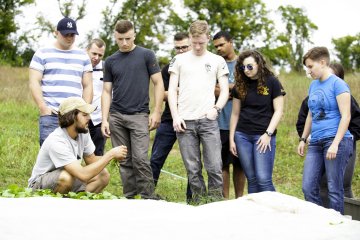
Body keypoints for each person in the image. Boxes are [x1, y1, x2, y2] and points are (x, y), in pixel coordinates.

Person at [101, 20, 164, 199]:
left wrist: (157, 111)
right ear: (115, 37)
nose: (125, 43)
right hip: (116, 117)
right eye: (120, 39)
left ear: (134, 34)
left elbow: (158, 83)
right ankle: (129, 197)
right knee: (123, 160)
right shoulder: (111, 61)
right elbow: (106, 92)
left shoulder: (146, 55)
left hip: (139, 115)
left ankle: (148, 197)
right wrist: (105, 119)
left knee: (140, 159)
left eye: (128, 38)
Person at [168, 20, 229, 203]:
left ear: (208, 38)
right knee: (192, 169)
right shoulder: (179, 60)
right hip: (185, 121)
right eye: (194, 42)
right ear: (190, 38)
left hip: (208, 120)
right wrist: (175, 116)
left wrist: (216, 109)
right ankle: (199, 203)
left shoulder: (217, 60)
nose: (197, 46)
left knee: (214, 166)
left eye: (201, 42)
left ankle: (215, 203)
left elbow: (225, 90)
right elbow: (171, 90)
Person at [28, 97, 127, 194]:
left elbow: (91, 159)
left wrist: (114, 156)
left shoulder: (83, 132)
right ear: (72, 117)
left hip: (67, 177)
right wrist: (110, 155)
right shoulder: (57, 141)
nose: (89, 118)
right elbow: (83, 175)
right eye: (84, 115)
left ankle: (76, 204)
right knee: (66, 177)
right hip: (38, 186)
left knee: (103, 175)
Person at [297, 47, 353, 214]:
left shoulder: (338, 84)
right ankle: (321, 221)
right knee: (307, 187)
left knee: (334, 189)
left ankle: (337, 227)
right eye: (307, 67)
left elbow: (346, 116)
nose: (308, 71)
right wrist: (303, 138)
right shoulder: (313, 85)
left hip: (336, 141)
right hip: (315, 142)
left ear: (322, 62)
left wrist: (335, 144)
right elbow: (310, 115)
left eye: (310, 66)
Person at [29, 17, 93, 146]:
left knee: (74, 156)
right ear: (56, 32)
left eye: (72, 35)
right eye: (66, 34)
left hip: (75, 115)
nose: (69, 38)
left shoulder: (83, 56)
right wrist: (43, 107)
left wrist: (84, 110)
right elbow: (34, 82)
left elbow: (88, 85)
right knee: (50, 155)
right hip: (52, 114)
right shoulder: (42, 53)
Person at [229, 49, 285, 194]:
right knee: (252, 178)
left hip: (263, 136)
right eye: (243, 67)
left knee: (263, 178)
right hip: (242, 136)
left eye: (249, 66)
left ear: (259, 64)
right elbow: (235, 114)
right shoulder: (240, 85)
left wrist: (268, 134)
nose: (246, 70)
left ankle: (275, 212)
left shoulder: (272, 81)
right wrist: (231, 140)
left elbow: (278, 111)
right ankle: (255, 214)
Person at [213, 31, 246, 199]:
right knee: (222, 165)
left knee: (240, 165)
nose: (219, 48)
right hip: (219, 123)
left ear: (231, 42)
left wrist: (225, 89)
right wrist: (228, 90)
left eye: (221, 44)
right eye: (216, 46)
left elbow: (245, 88)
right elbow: (209, 87)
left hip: (241, 123)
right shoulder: (214, 63)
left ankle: (239, 198)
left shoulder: (243, 63)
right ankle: (225, 200)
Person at [86, 38, 107, 156]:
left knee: (98, 152)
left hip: (99, 118)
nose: (96, 57)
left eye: (100, 55)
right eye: (94, 53)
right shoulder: (79, 67)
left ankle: (97, 175)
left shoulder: (106, 68)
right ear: (87, 50)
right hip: (79, 116)